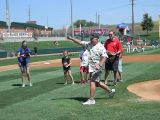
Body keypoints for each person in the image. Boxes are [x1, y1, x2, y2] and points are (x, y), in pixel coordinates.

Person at [67, 34, 115, 105]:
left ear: (97, 39)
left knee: (92, 81)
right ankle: (110, 91)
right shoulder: (89, 44)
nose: (91, 40)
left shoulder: (100, 47)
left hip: (97, 67)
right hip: (91, 67)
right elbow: (80, 42)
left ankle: (91, 99)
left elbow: (104, 57)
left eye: (92, 39)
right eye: (91, 39)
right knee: (97, 83)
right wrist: (71, 38)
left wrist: (100, 65)